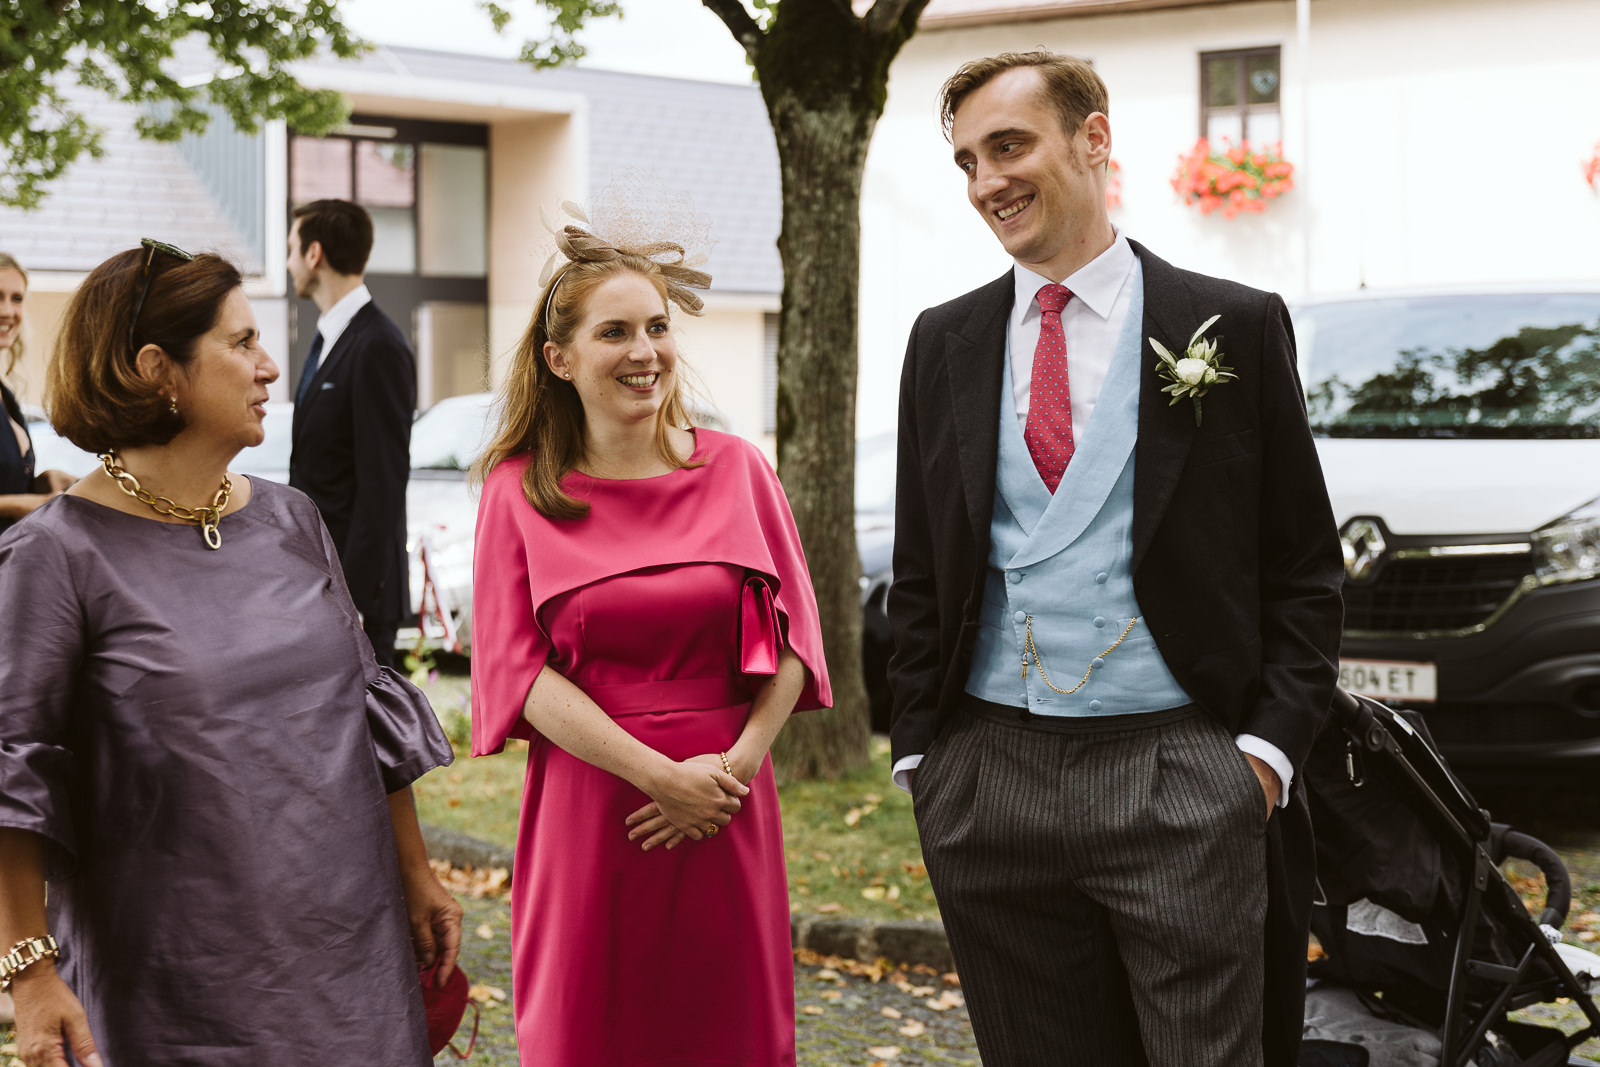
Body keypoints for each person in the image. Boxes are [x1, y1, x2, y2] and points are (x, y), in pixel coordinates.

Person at [887, 52, 1344, 1066]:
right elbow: (920, 569)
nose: (986, 181)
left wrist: (1262, 759)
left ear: (1094, 139)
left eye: (1009, 145)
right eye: (966, 160)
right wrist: (924, 755)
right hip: (987, 774)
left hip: (1181, 767)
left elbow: (1304, 568)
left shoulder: (1232, 325)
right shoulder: (943, 340)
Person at [0, 240, 462, 1066]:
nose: (270, 368)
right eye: (242, 342)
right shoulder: (55, 557)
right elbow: (14, 772)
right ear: (158, 370)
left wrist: (416, 873)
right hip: (180, 976)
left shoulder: (293, 518)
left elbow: (363, 708)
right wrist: (30, 973)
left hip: (354, 948)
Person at [469, 196, 831, 1066]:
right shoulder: (517, 492)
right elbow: (518, 673)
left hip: (727, 802)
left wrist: (731, 771)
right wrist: (659, 776)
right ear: (559, 358)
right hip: (595, 809)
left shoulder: (739, 468)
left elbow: (796, 642)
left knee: (730, 1034)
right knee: (591, 1031)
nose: (645, 352)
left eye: (657, 327)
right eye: (615, 332)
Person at [286, 199, 415, 669]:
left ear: (314, 253)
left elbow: (383, 482)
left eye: (291, 250)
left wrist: (353, 598)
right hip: (321, 583)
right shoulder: (328, 338)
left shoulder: (378, 345)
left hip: (357, 601)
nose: (288, 263)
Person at [0, 253, 75, 538]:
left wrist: (42, 482)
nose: (8, 311)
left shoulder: (6, 395)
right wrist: (26, 504)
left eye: (17, 298)